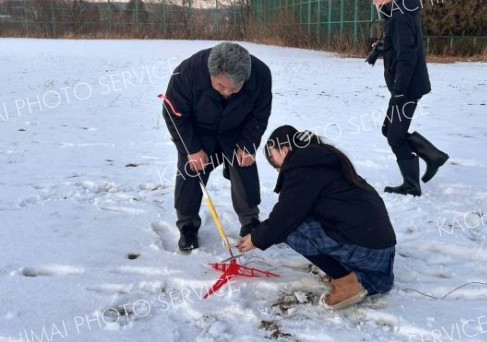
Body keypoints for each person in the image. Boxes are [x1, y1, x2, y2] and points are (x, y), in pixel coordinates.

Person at [237, 125, 397, 310]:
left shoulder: (303, 169)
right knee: (297, 219)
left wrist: (256, 238)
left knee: (290, 228)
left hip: (368, 253)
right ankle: (350, 272)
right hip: (382, 253)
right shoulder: (322, 159)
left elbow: (285, 218)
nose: (276, 168)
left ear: (285, 150)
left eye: (274, 159)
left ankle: (346, 282)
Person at [162, 42, 272, 251]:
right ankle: (187, 225)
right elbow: (173, 114)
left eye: (235, 87)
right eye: (221, 86)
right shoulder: (188, 72)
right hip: (198, 131)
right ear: (211, 73)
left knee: (244, 165)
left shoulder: (261, 74)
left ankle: (250, 221)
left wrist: (248, 144)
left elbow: (260, 113)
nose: (228, 92)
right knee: (190, 171)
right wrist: (191, 149)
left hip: (237, 129)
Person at [368, 0, 448, 197]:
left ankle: (416, 179)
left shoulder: (400, 16)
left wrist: (400, 91)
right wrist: (384, 47)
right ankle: (432, 156)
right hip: (406, 86)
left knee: (394, 135)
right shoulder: (399, 13)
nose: (375, 2)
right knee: (389, 130)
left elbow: (408, 56)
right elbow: (403, 46)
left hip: (408, 88)